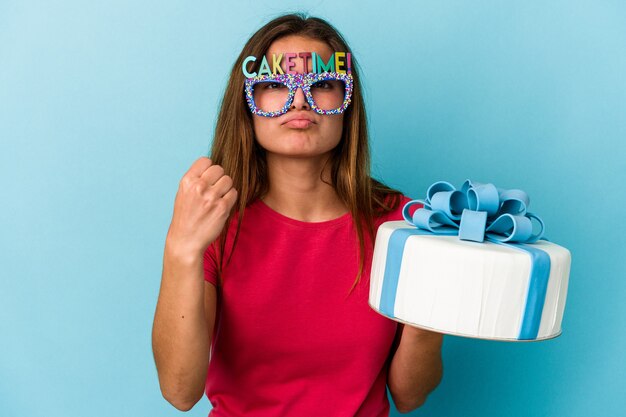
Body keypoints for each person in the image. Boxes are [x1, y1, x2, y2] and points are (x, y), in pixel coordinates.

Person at [152, 13, 443, 417]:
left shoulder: (401, 225)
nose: (300, 101)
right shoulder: (213, 221)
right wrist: (180, 248)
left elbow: (410, 396)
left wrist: (435, 299)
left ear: (347, 102)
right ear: (247, 104)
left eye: (322, 84)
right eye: (274, 85)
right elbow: (180, 391)